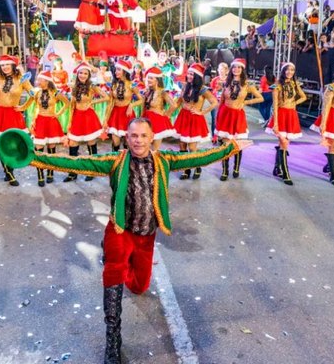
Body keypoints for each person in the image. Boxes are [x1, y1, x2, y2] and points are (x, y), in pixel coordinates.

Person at [26, 117, 251, 364]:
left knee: (139, 286)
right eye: (133, 136)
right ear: (127, 137)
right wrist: (33, 158)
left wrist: (230, 148)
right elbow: (76, 162)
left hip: (147, 236)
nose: (138, 141)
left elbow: (198, 157)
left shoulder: (164, 160)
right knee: (114, 272)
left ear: (152, 137)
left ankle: (117, 259)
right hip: (120, 231)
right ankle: (113, 341)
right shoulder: (116, 161)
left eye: (143, 136)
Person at [0, 29, 33, 186]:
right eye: (2, 65)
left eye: (7, 65)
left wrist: (24, 106)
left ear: (13, 65)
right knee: (2, 143)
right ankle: (9, 173)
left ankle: (10, 168)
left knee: (13, 144)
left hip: (13, 114)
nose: (4, 67)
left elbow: (33, 93)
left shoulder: (21, 78)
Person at [214, 58, 264, 180]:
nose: (236, 69)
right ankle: (225, 171)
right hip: (225, 114)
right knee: (225, 144)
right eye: (234, 67)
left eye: (239, 67)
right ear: (231, 69)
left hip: (238, 116)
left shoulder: (247, 84)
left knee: (238, 143)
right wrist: (217, 116)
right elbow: (222, 101)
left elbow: (260, 98)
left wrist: (245, 102)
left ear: (242, 69)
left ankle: (236, 168)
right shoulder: (226, 82)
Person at [173, 63, 219, 180]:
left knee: (192, 147)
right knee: (182, 145)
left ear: (197, 76)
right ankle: (186, 169)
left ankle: (197, 167)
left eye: (192, 74)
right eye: (188, 73)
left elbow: (214, 102)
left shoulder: (202, 89)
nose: (189, 76)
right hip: (183, 117)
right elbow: (179, 102)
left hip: (194, 119)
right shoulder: (185, 86)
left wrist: (202, 112)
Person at [65, 61, 109, 182]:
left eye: (85, 73)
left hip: (89, 117)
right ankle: (72, 172)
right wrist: (69, 121)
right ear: (77, 74)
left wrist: (92, 102)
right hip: (77, 117)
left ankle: (92, 170)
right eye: (81, 73)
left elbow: (106, 97)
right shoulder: (74, 87)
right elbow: (72, 105)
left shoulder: (92, 86)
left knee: (91, 143)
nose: (83, 75)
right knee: (73, 144)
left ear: (88, 75)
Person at [24, 71, 69, 187]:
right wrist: (31, 117)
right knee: (38, 149)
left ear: (47, 81)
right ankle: (40, 175)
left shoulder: (55, 93)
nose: (37, 81)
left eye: (40, 80)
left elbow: (67, 103)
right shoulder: (37, 93)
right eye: (38, 79)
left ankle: (50, 173)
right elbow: (32, 104)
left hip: (51, 123)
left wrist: (58, 114)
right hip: (40, 122)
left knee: (51, 149)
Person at [266, 62, 307, 185]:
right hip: (280, 115)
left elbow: (303, 97)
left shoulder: (295, 84)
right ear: (283, 71)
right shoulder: (277, 85)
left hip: (291, 115)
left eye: (292, 70)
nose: (290, 72)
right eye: (287, 70)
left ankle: (276, 167)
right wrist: (275, 123)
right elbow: (275, 105)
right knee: (284, 143)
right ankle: (285, 173)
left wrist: (294, 103)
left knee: (284, 144)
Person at [104, 60, 142, 151]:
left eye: (118, 70)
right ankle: (116, 158)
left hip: (127, 115)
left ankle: (127, 159)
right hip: (115, 115)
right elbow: (110, 103)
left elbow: (141, 99)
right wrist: (105, 120)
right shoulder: (113, 85)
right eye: (116, 70)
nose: (116, 72)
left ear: (125, 71)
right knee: (115, 142)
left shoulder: (132, 85)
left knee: (128, 142)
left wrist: (131, 105)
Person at [140, 67, 177, 151]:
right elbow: (144, 107)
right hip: (147, 120)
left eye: (151, 78)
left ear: (157, 80)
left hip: (157, 122)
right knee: (146, 146)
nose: (148, 80)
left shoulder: (162, 93)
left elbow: (174, 105)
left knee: (155, 149)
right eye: (148, 78)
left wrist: (167, 114)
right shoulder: (148, 91)